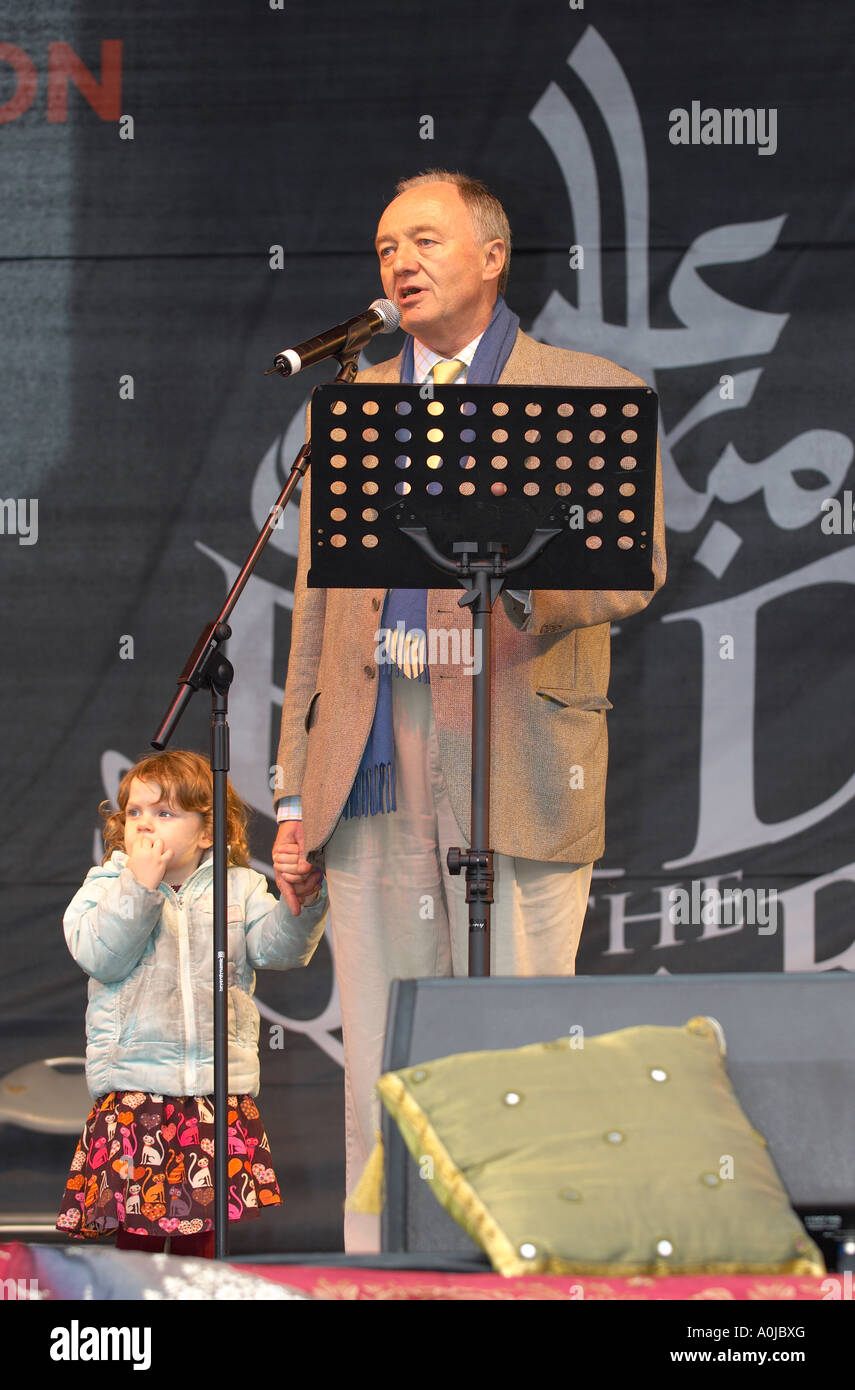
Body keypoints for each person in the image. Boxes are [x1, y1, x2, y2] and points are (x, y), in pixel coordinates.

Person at [271, 169, 667, 1250]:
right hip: (369, 759)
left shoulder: (591, 390)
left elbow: (635, 569)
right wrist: (294, 790)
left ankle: (525, 1271)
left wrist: (522, 570)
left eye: (426, 239)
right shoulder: (351, 403)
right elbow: (314, 614)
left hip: (515, 743)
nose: (400, 260)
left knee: (521, 1052)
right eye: (387, 243)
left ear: (492, 256)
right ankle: (386, 1273)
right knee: (384, 1069)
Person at [57, 749, 327, 1258]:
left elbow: (277, 950)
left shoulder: (240, 886)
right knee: (137, 1234)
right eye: (134, 812)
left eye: (165, 813)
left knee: (200, 1236)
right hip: (137, 1091)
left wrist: (304, 904)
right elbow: (100, 955)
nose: (145, 825)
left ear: (207, 831)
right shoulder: (106, 885)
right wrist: (140, 886)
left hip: (211, 1089)